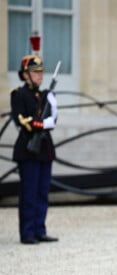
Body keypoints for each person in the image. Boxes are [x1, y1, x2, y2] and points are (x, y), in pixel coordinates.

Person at [10, 54, 59, 245]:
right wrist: (42, 123)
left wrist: (50, 112)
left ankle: (40, 229)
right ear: (25, 75)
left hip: (44, 148)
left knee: (42, 192)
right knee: (29, 193)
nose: (39, 76)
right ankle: (27, 232)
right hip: (28, 148)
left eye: (40, 72)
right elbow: (22, 121)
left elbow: (53, 120)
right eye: (35, 72)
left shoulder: (45, 95)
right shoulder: (18, 95)